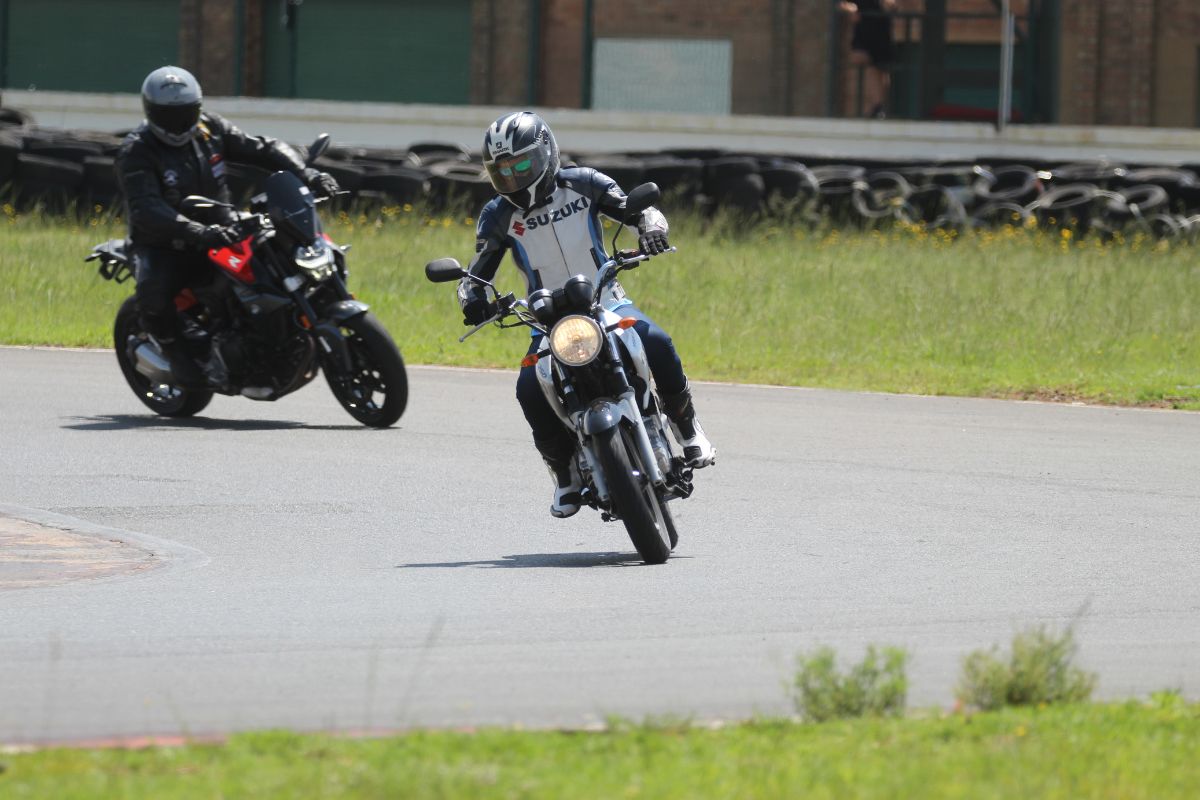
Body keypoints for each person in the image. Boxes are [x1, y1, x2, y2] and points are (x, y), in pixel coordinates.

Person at [455, 111, 715, 518]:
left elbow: (638, 211)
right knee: (529, 388)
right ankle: (565, 476)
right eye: (502, 171)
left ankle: (688, 430)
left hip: (606, 300)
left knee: (657, 341)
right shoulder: (497, 214)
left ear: (545, 152)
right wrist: (472, 299)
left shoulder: (584, 182)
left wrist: (652, 229)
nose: (513, 177)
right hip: (547, 320)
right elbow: (475, 274)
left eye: (520, 165)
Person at [115, 65, 340, 386]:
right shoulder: (137, 151)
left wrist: (307, 174)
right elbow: (148, 208)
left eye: (186, 113)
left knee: (281, 260)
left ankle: (278, 334)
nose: (179, 123)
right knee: (155, 293)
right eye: (169, 116)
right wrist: (200, 233)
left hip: (224, 227)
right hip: (166, 243)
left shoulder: (210, 129)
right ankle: (175, 354)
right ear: (151, 112)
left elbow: (263, 148)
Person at [839, 0, 897, 119]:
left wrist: (890, 4)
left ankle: (879, 106)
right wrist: (851, 9)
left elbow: (893, 4)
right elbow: (840, 4)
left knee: (881, 69)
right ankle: (877, 105)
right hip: (864, 27)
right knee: (863, 60)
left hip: (880, 27)